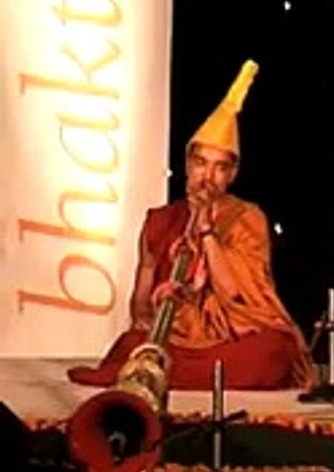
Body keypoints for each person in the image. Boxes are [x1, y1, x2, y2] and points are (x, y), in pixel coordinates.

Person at [68, 61, 312, 390]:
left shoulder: (247, 218)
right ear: (186, 165)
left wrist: (207, 231)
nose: (207, 177)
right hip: (177, 336)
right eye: (200, 164)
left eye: (219, 168)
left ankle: (156, 372)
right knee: (132, 343)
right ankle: (161, 367)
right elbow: (144, 285)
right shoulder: (161, 220)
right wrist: (143, 314)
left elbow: (238, 295)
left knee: (273, 352)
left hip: (232, 336)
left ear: (232, 174)